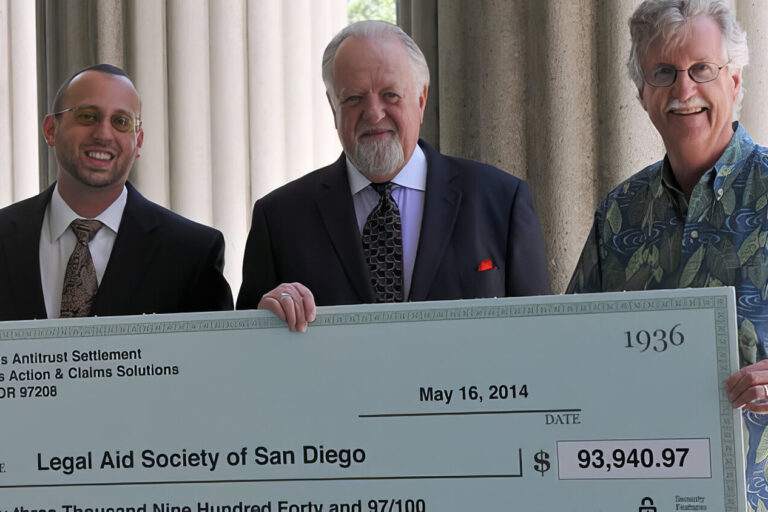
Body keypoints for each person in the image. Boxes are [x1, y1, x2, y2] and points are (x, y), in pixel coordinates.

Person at [566, 0, 768, 507]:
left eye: (702, 69)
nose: (683, 90)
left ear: (736, 81)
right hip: (648, 494)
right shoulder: (618, 215)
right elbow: (571, 350)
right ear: (642, 95)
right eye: (663, 73)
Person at [236, 20, 551, 331]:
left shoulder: (501, 202)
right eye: (354, 99)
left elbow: (539, 338)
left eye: (390, 95)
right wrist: (262, 324)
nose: (373, 113)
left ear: (421, 99)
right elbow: (243, 358)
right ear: (334, 108)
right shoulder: (279, 220)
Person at [0, 64, 233, 320]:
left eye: (121, 122)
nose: (103, 134)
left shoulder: (192, 254)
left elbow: (215, 357)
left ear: (138, 141)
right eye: (87, 116)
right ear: (50, 130)